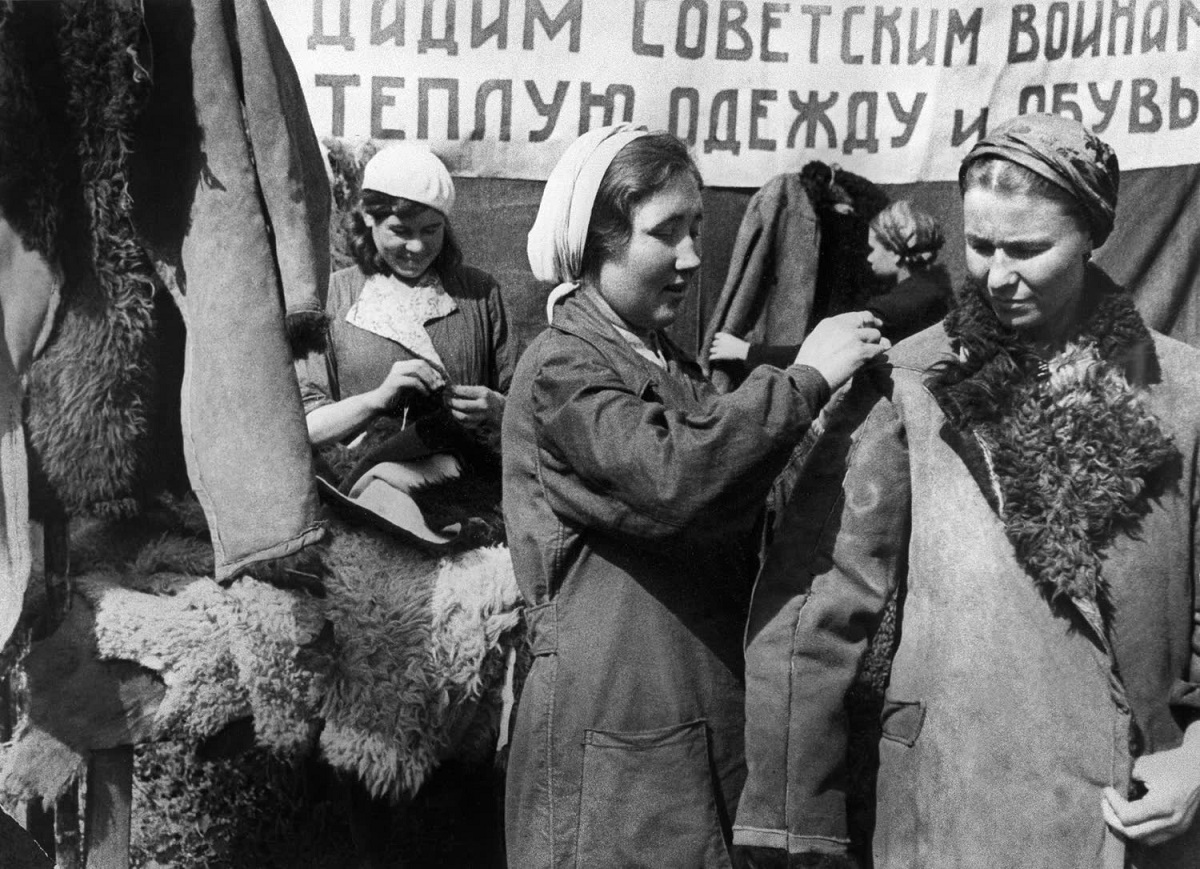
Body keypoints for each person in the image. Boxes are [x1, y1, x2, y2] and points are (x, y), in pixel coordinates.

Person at [736, 113, 1200, 869]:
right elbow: (814, 612)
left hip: (1134, 821)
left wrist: (1197, 756)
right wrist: (795, 831)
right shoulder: (911, 384)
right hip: (955, 809)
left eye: (1029, 249)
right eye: (981, 245)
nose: (997, 275)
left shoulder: (1183, 393)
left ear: (1093, 235)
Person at [501, 124, 890, 868]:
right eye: (665, 232)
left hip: (687, 730)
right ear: (597, 242)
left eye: (696, 229)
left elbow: (745, 495)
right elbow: (674, 478)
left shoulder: (666, 366)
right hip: (614, 740)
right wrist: (803, 381)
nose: (691, 256)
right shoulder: (562, 371)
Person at [297, 141, 513, 456]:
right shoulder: (332, 296)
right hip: (362, 481)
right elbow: (305, 428)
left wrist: (498, 408)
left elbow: (529, 410)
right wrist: (377, 400)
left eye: (431, 230)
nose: (417, 247)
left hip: (465, 478)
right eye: (400, 231)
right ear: (368, 217)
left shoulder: (479, 293)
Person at [708, 199, 950, 368]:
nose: (869, 258)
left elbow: (826, 352)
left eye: (873, 249)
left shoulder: (899, 305)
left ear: (896, 252)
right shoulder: (932, 290)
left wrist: (745, 351)